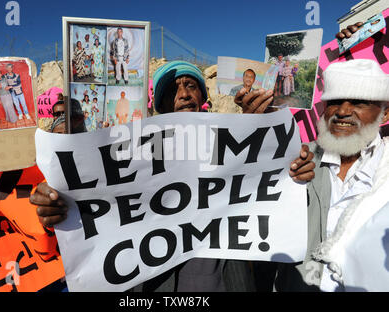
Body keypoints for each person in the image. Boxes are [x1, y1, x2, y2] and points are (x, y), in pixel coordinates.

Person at [30, 60, 315, 292]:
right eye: (173, 89)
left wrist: (291, 169)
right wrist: (61, 199)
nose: (184, 94)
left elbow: (271, 182)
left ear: (202, 97)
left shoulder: (233, 145)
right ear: (161, 106)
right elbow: (99, 195)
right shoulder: (135, 155)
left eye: (191, 86)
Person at [273, 59, 389, 292]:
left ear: (384, 114)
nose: (342, 112)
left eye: (358, 102)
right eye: (334, 102)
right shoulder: (297, 158)